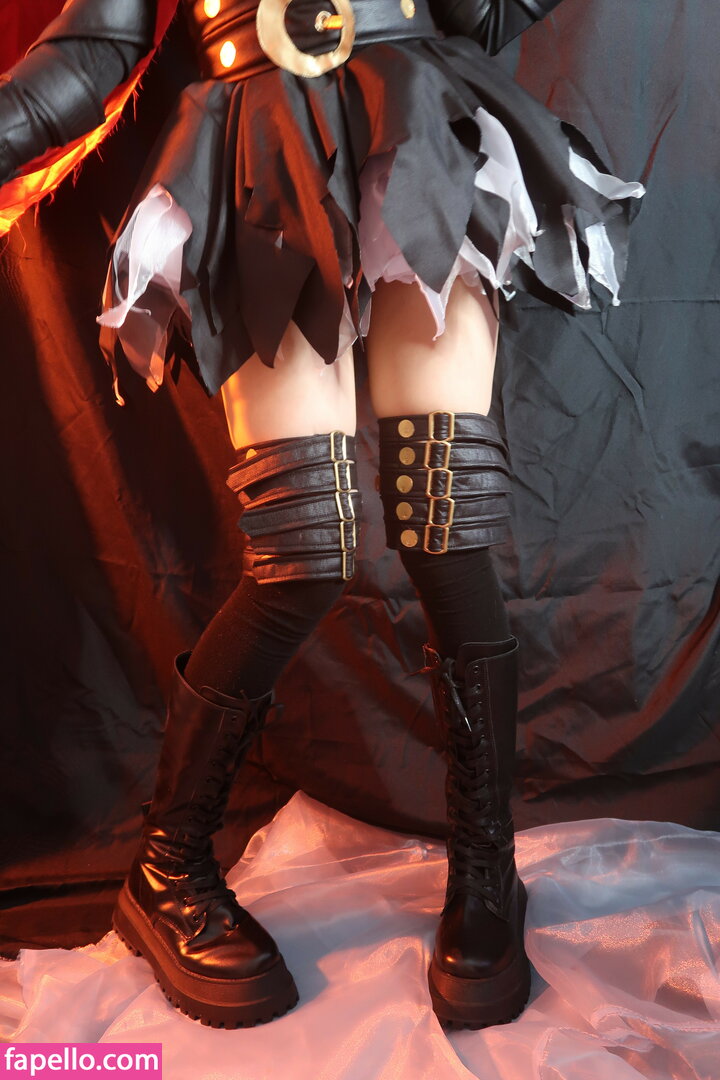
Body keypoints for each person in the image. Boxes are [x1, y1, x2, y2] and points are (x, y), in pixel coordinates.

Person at [0, 0, 643, 1033]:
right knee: (302, 544)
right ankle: (167, 869)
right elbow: (95, 45)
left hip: (417, 127)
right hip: (258, 156)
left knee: (446, 513)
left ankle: (487, 870)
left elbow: (482, 13)